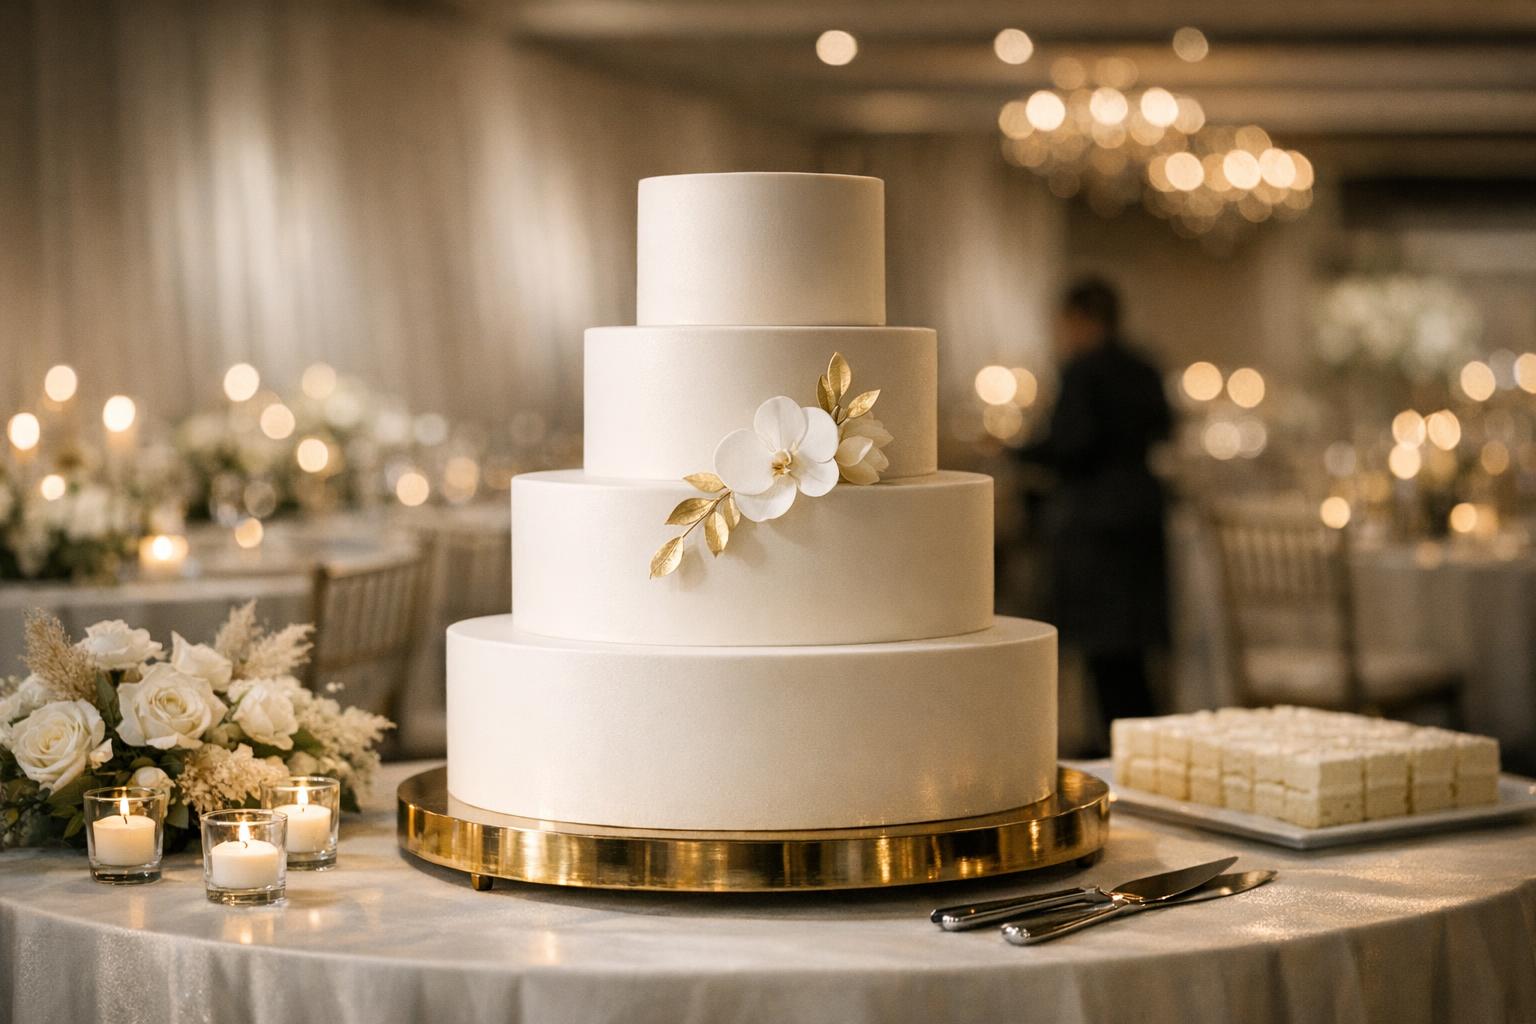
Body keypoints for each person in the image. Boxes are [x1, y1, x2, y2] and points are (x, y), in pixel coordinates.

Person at [1016, 277, 1172, 749]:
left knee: (1105, 654)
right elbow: (1166, 428)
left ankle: (1114, 755)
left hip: (1097, 526)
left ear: (1081, 319)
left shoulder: (1083, 371)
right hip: (1143, 517)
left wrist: (1017, 452)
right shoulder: (1144, 367)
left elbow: (1071, 444)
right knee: (1134, 656)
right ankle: (1144, 749)